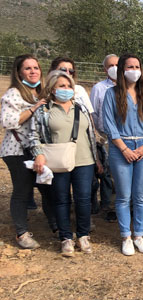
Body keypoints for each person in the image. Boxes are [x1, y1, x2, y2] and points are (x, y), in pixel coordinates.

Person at [30, 70, 101, 257]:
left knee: (84, 199)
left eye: (69, 86)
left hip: (84, 160)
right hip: (58, 161)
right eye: (62, 86)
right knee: (61, 200)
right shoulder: (44, 110)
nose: (66, 89)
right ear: (52, 89)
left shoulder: (81, 108)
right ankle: (66, 238)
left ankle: (83, 235)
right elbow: (34, 135)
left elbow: (90, 133)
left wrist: (97, 159)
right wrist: (38, 154)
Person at [102, 54, 143, 256]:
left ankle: (139, 235)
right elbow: (108, 124)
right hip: (120, 148)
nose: (134, 70)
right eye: (129, 66)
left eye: (137, 66)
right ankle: (126, 235)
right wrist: (124, 148)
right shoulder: (112, 94)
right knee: (124, 196)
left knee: (141, 196)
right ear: (122, 70)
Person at [1, 54, 56, 249]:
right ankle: (21, 233)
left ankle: (56, 226)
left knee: (47, 187)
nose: (33, 71)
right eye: (28, 68)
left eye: (36, 68)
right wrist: (33, 109)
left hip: (37, 150)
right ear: (18, 72)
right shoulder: (14, 94)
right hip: (16, 150)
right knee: (22, 190)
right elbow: (7, 122)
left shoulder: (40, 93)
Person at [89, 54, 118, 222]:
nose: (114, 68)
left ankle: (118, 203)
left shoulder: (129, 86)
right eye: (111, 65)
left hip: (125, 137)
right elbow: (93, 113)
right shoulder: (99, 88)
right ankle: (108, 205)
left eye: (117, 64)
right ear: (105, 69)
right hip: (105, 137)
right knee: (108, 172)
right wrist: (98, 136)